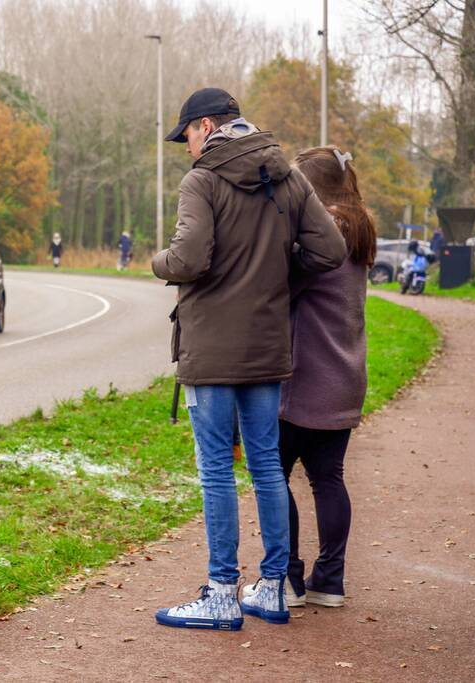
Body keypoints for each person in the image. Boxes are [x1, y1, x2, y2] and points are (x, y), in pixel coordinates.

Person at [151, 87, 347, 631]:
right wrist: (277, 271)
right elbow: (330, 251)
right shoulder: (288, 176)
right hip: (267, 345)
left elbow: (188, 259)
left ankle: (220, 594)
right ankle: (273, 588)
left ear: (207, 126)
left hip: (212, 348)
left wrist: (157, 261)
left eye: (188, 136)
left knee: (216, 467)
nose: (188, 147)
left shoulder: (202, 181)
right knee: (264, 465)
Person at [256, 146, 376, 610]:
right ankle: (330, 579)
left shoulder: (323, 231)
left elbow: (280, 286)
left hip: (305, 376)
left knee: (274, 473)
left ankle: (286, 578)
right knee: (328, 478)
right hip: (345, 374)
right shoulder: (359, 227)